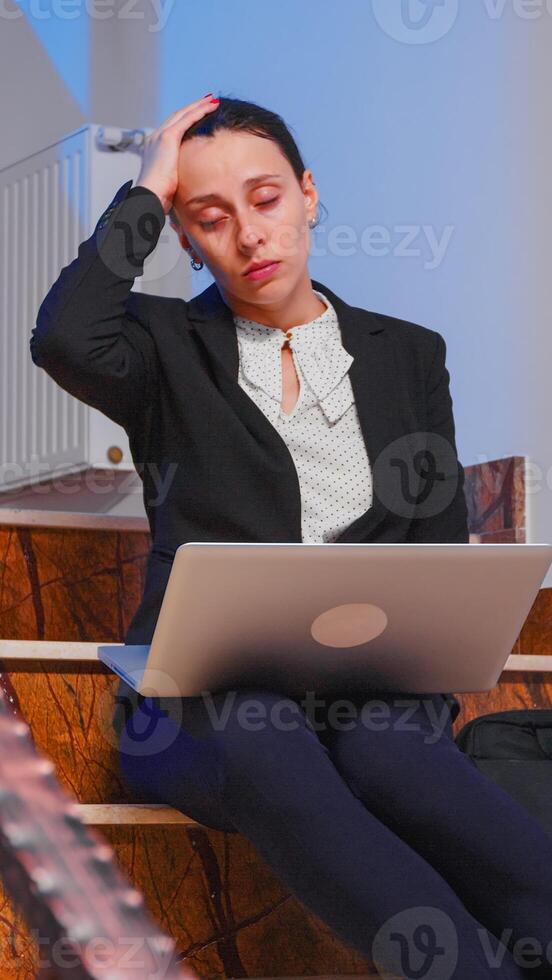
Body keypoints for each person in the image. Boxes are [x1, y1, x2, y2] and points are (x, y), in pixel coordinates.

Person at [30, 94, 552, 979]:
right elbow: (64, 336)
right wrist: (150, 186)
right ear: (186, 238)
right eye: (211, 217)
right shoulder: (164, 348)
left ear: (310, 194)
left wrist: (419, 683)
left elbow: (434, 545)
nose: (249, 235)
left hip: (373, 692)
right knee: (263, 727)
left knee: (391, 747)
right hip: (203, 708)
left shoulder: (409, 355)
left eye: (266, 199)